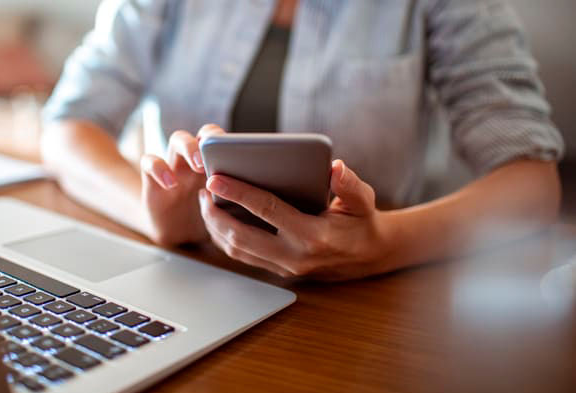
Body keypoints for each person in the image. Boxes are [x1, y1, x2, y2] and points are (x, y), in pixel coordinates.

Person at [41, 0, 564, 280]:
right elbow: (66, 126)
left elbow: (533, 185)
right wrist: (155, 215)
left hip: (362, 308)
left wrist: (381, 244)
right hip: (192, 277)